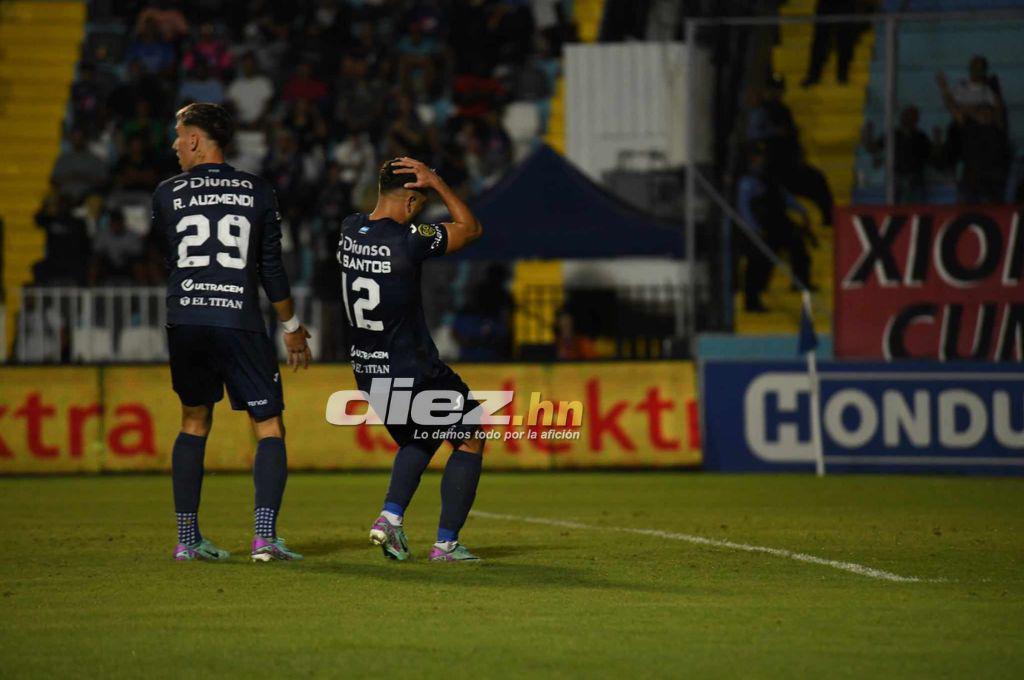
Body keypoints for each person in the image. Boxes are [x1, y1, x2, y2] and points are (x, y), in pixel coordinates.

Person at [151, 103, 312, 562]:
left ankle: (187, 540)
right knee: (268, 425)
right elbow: (271, 269)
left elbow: (172, 254)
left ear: (198, 140)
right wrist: (292, 326)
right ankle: (263, 537)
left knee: (194, 421)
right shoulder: (258, 191)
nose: (175, 144)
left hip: (185, 319)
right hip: (237, 318)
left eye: (180, 135)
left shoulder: (166, 193)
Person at [339, 158, 484, 562]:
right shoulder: (409, 239)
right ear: (410, 201)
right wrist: (437, 182)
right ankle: (447, 544)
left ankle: (390, 518)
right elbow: (471, 229)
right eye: (418, 204)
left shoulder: (349, 229)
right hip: (412, 366)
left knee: (421, 435)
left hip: (368, 371)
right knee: (471, 431)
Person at [737, 143, 814, 312]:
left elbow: (784, 197)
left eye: (761, 158)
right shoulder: (747, 183)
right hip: (757, 230)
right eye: (756, 158)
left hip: (773, 227)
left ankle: (799, 282)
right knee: (755, 265)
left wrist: (801, 210)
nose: (759, 161)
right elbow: (744, 208)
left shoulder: (767, 179)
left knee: (792, 249)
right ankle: (752, 301)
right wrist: (754, 229)